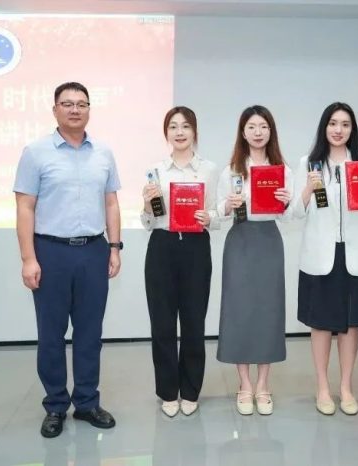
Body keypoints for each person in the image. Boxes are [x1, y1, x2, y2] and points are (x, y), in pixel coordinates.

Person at [13, 82, 122, 438]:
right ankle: (56, 406)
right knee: (51, 334)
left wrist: (114, 247)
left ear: (89, 109)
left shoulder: (103, 152)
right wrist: (28, 258)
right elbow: (25, 207)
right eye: (67, 103)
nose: (75, 109)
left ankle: (87, 402)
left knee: (90, 333)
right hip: (51, 252)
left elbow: (111, 202)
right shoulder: (36, 153)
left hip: (93, 250)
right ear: (55, 109)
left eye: (81, 104)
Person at [292, 102, 358, 416]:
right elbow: (295, 213)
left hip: (355, 253)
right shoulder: (308, 163)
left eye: (345, 124)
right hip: (321, 254)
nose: (338, 129)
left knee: (350, 323)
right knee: (320, 324)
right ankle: (322, 387)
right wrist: (307, 189)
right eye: (333, 123)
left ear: (352, 130)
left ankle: (346, 387)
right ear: (324, 127)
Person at [141, 106, 219, 418]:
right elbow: (148, 222)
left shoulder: (209, 169)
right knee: (161, 324)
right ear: (166, 133)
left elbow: (217, 213)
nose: (179, 132)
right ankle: (167, 391)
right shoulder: (156, 171)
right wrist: (147, 206)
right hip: (162, 247)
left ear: (194, 131)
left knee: (193, 323)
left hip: (196, 248)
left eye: (185, 126)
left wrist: (209, 217)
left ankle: (190, 390)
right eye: (173, 126)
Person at [216, 105, 293, 416]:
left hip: (269, 242)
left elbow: (289, 216)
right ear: (243, 132)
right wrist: (228, 204)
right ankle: (244, 384)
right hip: (240, 241)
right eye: (252, 127)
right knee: (239, 312)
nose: (258, 132)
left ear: (271, 131)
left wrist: (286, 203)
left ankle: (263, 385)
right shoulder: (231, 170)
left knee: (268, 312)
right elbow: (219, 212)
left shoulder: (281, 169)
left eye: (263, 126)